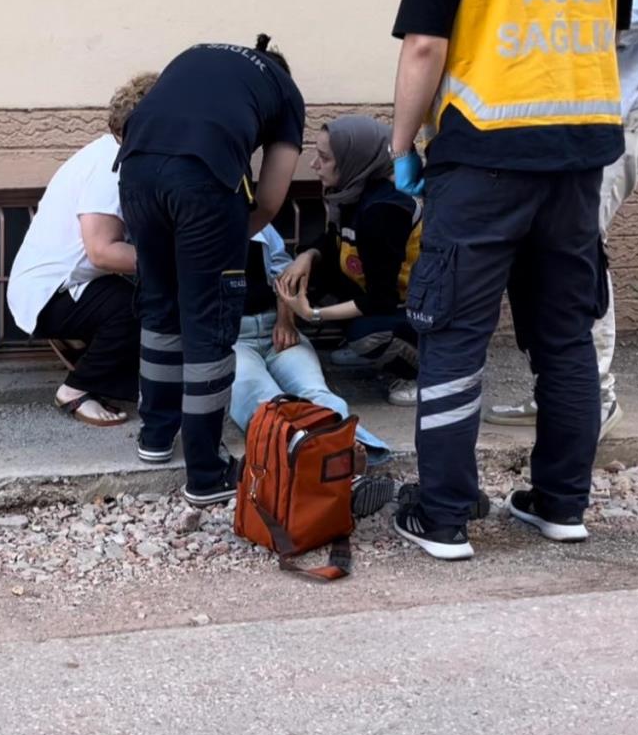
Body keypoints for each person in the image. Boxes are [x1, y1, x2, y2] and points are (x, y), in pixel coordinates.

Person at [389, 0, 634, 560]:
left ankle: (443, 516)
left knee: (453, 333)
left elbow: (425, 44)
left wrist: (400, 147)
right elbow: (613, 27)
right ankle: (560, 504)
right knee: (566, 333)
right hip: (578, 153)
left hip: (484, 150)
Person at [485, 0, 638, 439]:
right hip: (585, 110)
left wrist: (571, 36)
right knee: (557, 243)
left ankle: (593, 398)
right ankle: (560, 395)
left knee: (580, 242)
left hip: (632, 103)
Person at [116, 34, 305, 507]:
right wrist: (227, 239)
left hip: (135, 173)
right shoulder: (284, 91)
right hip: (202, 179)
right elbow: (270, 198)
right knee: (209, 320)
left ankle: (156, 438)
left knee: (160, 306)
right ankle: (205, 472)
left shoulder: (195, 53)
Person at [6, 72, 158, 427]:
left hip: (65, 284)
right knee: (134, 307)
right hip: (49, 294)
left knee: (142, 296)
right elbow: (102, 252)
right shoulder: (111, 168)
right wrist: (171, 261)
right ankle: (76, 388)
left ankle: (128, 384)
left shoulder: (111, 151)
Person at [275, 115, 422, 406]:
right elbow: (333, 242)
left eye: (325, 158)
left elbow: (381, 299)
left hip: (413, 311)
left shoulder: (383, 210)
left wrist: (312, 314)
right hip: (382, 297)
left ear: (355, 160)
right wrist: (307, 256)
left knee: (365, 334)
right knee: (306, 274)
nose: (314, 165)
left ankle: (419, 374)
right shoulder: (354, 190)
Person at [230, 224, 392, 463]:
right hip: (232, 339)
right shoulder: (190, 227)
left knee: (314, 389)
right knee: (260, 395)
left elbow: (283, 270)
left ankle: (341, 443)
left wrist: (285, 321)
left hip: (274, 326)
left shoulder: (258, 221)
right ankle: (320, 451)